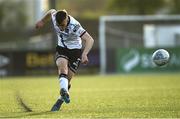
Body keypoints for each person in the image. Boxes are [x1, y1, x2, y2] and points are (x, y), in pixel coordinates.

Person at [35, 9, 94, 111]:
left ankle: (60, 99)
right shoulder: (55, 18)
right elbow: (51, 11)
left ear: (67, 19)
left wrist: (84, 54)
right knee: (62, 69)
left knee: (68, 80)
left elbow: (90, 39)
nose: (61, 28)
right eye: (59, 26)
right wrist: (42, 21)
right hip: (62, 48)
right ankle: (63, 91)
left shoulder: (75, 26)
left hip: (75, 51)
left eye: (63, 25)